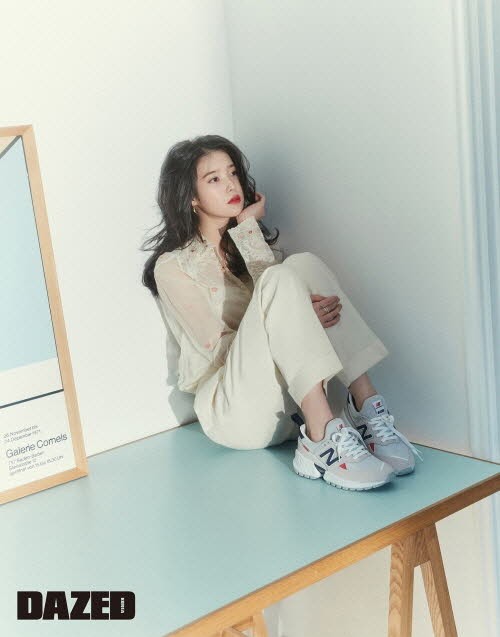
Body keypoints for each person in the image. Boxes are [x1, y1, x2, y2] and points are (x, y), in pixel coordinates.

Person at [141, 134, 423, 492]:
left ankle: (366, 409)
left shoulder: (250, 248)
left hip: (291, 408)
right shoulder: (172, 267)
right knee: (280, 278)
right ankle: (321, 438)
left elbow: (280, 297)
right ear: (191, 197)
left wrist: (247, 233)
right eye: (214, 179)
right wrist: (297, 321)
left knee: (302, 264)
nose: (231, 184)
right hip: (236, 413)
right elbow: (220, 349)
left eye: (233, 173)